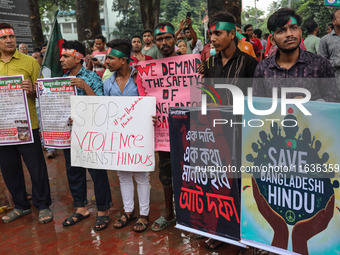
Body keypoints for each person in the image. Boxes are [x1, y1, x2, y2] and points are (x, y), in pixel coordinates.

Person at [203, 11, 258, 250]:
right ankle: (223, 231)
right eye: (211, 34)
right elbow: (206, 97)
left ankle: (245, 232)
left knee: (241, 183)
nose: (213, 38)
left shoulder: (249, 64)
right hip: (216, 133)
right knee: (219, 182)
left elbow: (257, 102)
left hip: (242, 132)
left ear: (232, 33)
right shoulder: (209, 64)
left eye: (218, 33)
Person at [0, 22, 53, 224]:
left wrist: (32, 90)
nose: (9, 40)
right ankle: (21, 205)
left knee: (36, 167)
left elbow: (43, 93)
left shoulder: (29, 62)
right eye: (4, 37)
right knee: (9, 169)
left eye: (11, 36)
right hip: (3, 127)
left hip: (27, 125)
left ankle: (43, 204)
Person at [60, 40, 112, 231]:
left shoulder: (91, 78)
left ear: (78, 58)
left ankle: (103, 210)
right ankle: (81, 208)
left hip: (91, 134)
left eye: (66, 56)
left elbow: (103, 106)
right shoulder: (60, 79)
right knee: (74, 171)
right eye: (62, 55)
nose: (61, 59)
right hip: (69, 134)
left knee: (97, 172)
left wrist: (85, 87)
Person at [104, 38, 152, 233]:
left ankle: (144, 214)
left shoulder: (141, 77)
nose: (106, 61)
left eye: (110, 58)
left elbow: (151, 100)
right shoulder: (108, 82)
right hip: (119, 136)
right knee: (122, 175)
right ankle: (129, 211)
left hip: (140, 134)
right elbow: (104, 108)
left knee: (141, 175)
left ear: (123, 60)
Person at [254, 8, 339, 101]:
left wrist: (310, 105)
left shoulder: (320, 64)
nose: (289, 34)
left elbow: (333, 99)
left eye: (293, 28)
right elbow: (257, 104)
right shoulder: (263, 68)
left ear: (300, 32)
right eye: (281, 31)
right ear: (272, 40)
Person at [150, 22, 178, 232]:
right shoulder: (150, 69)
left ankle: (192, 217)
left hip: (189, 130)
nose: (164, 42)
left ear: (175, 38)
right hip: (163, 133)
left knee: (190, 174)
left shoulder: (191, 63)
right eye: (160, 39)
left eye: (168, 37)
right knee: (166, 174)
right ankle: (169, 214)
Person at [319, 9, 340, 90]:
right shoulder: (324, 40)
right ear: (333, 21)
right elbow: (321, 63)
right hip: (335, 85)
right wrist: (337, 62)